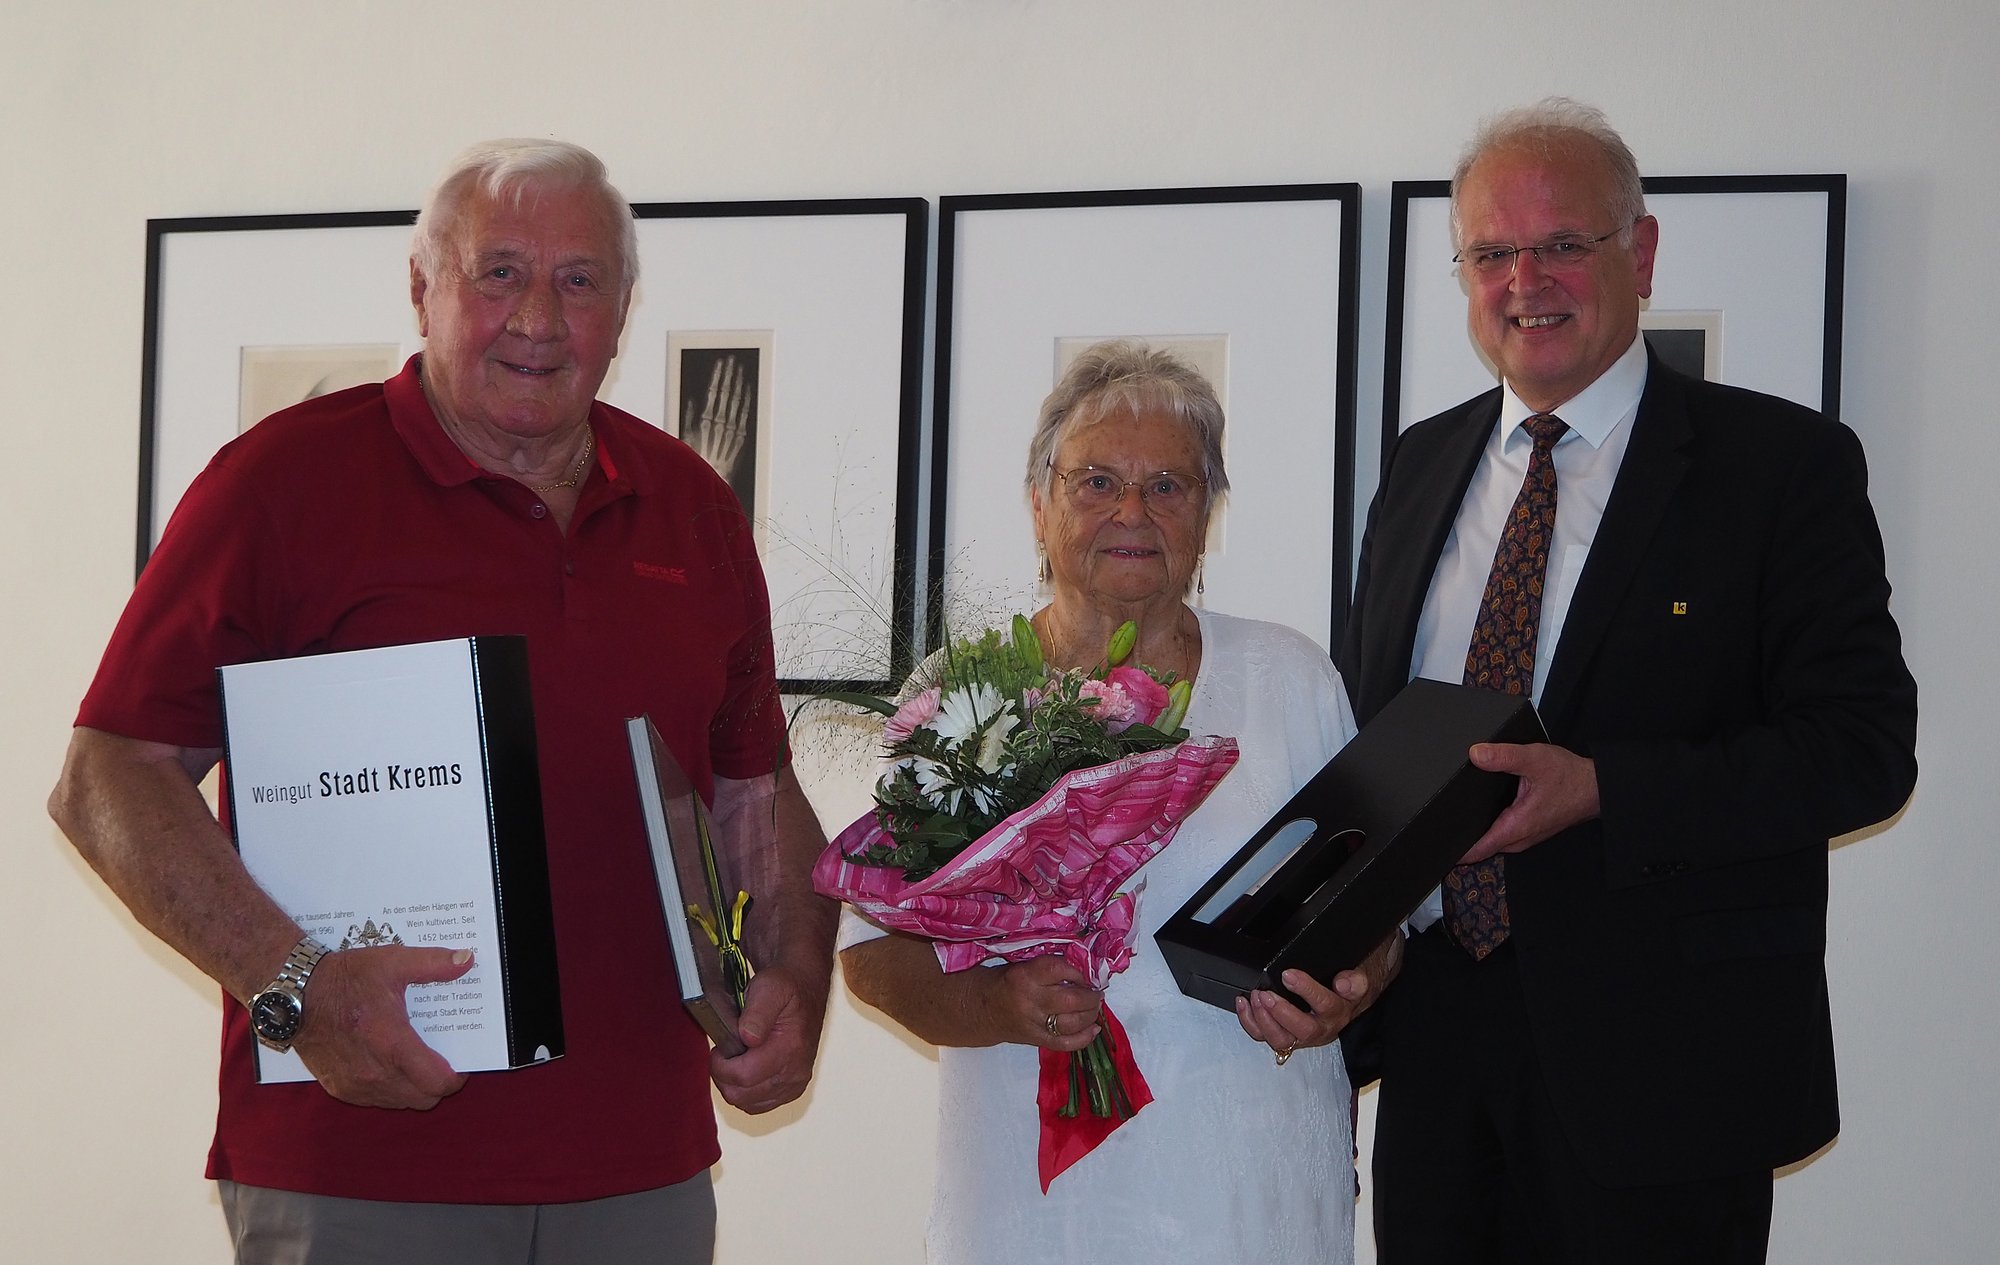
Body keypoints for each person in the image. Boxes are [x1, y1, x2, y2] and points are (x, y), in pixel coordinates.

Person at [48, 139, 837, 1263]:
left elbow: (756, 788)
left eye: (579, 280)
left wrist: (795, 978)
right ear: (422, 288)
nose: (538, 318)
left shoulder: (693, 507)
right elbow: (106, 777)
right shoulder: (280, 485)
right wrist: (297, 986)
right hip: (361, 1164)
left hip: (640, 1173)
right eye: (498, 271)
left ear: (623, 308)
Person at [1342, 99, 1918, 1263]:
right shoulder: (1419, 462)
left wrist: (1602, 787)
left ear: (1639, 254)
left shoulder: (1779, 466)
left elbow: (1861, 748)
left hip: (1669, 1068)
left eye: (1563, 244)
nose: (1526, 281)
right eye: (1492, 252)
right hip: (1436, 1050)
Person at [840, 341, 1398, 1264]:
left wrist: (1349, 989)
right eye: (1096, 481)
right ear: (1039, 504)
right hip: (1028, 1204)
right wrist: (997, 1002)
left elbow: (1382, 913)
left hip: (1249, 1194)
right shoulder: (961, 694)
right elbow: (871, 957)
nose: (1132, 512)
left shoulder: (1290, 678)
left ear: (1206, 512)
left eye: (1169, 486)